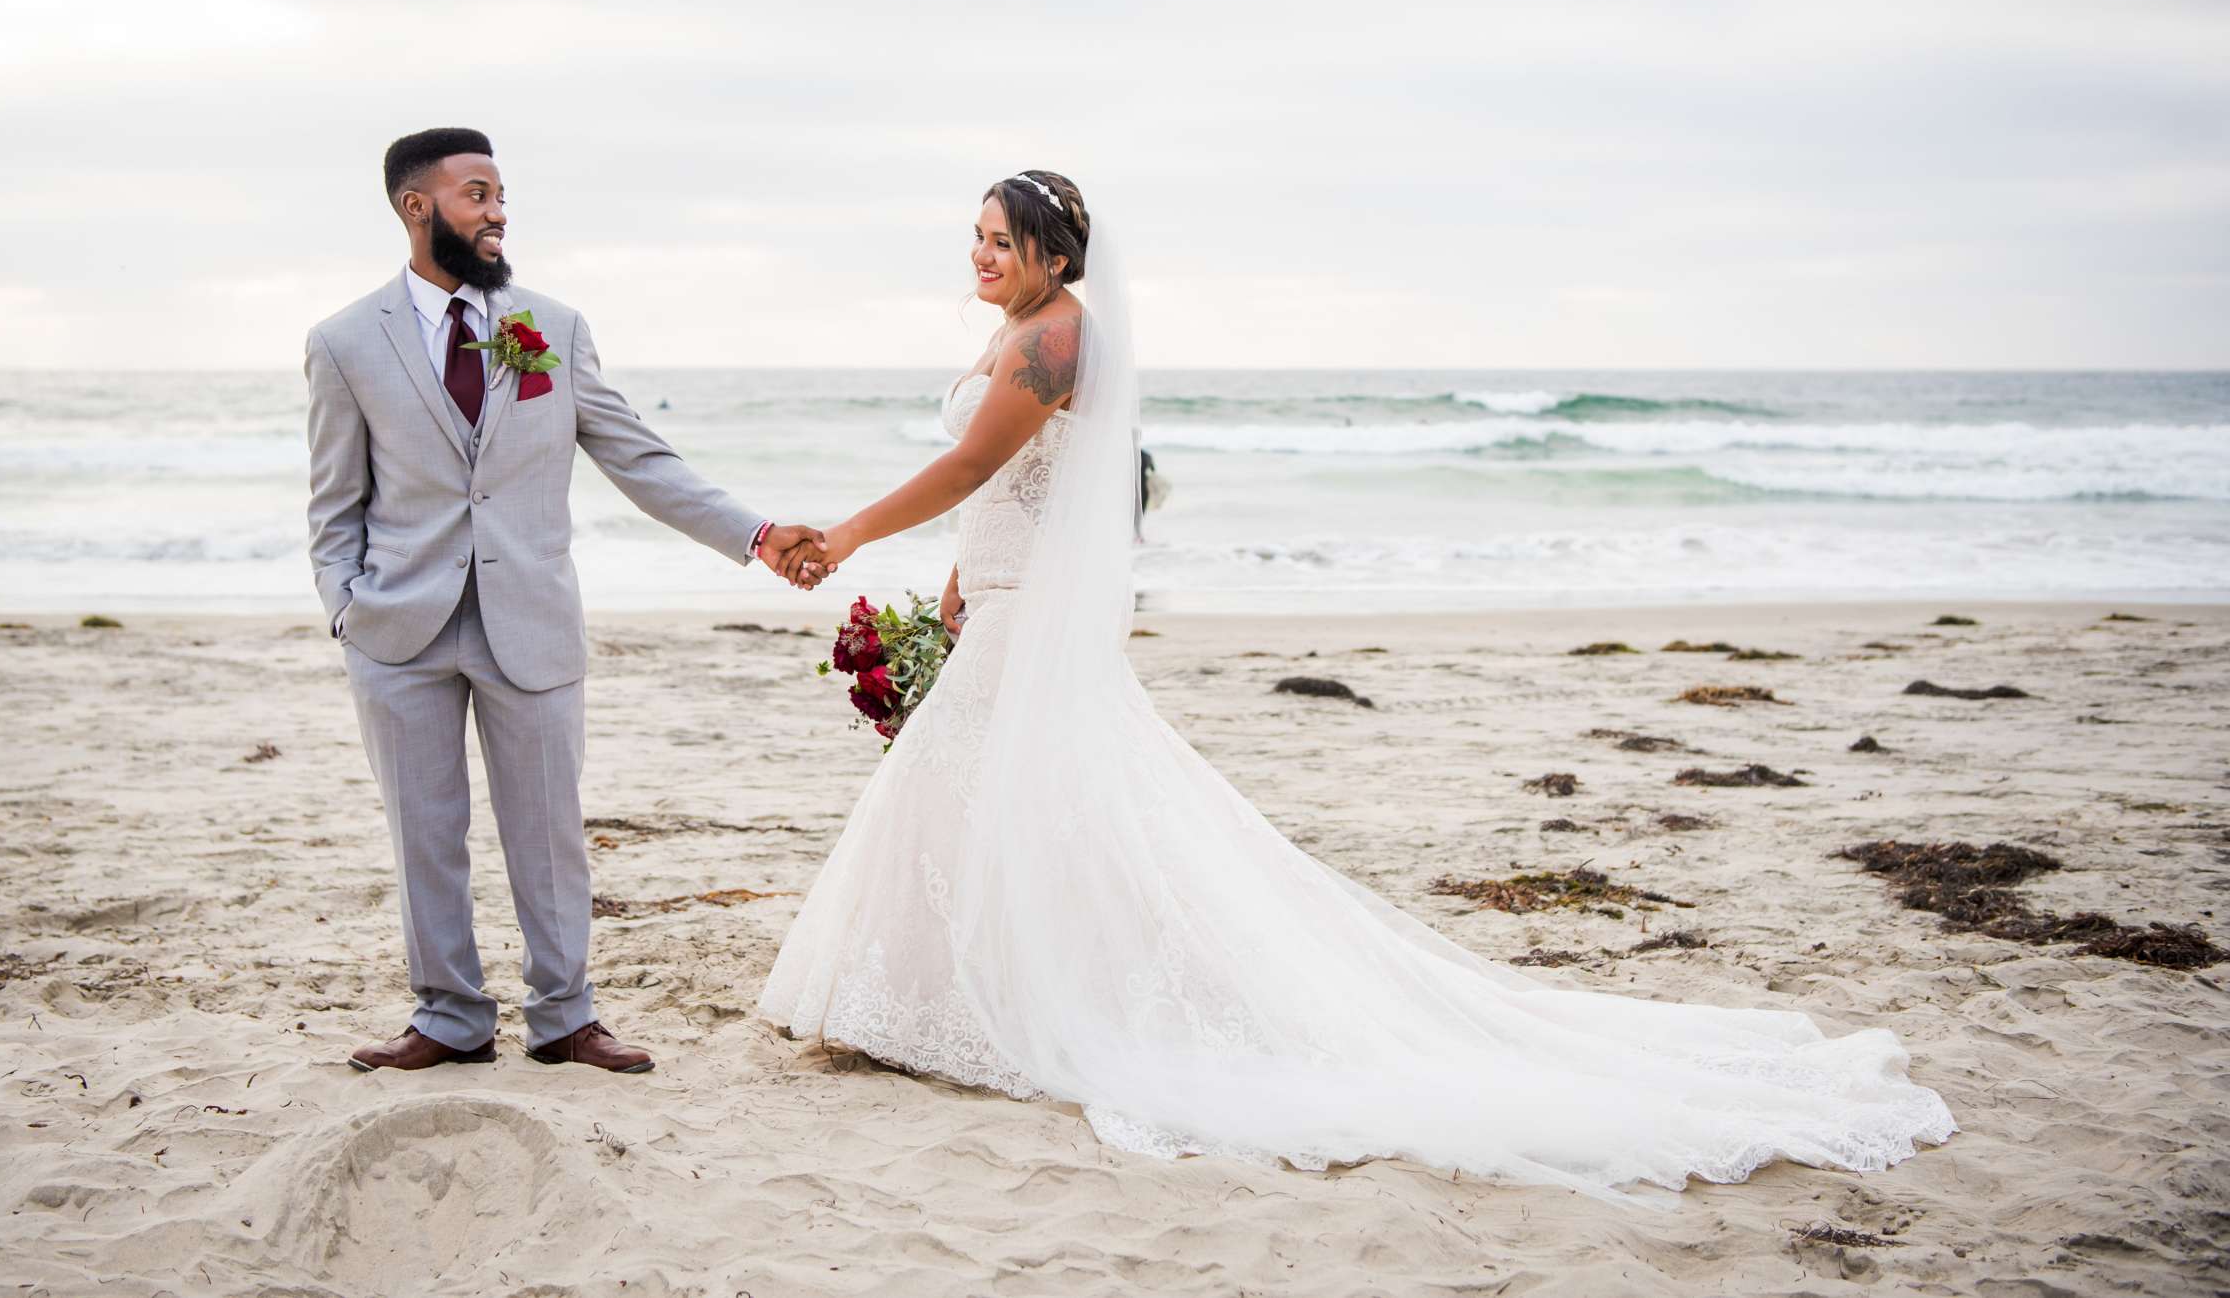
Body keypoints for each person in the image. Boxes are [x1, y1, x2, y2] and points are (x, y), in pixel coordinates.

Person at [759, 169, 1955, 1199]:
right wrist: (967, 574)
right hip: (1008, 603)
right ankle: (956, 999)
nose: (978, 252)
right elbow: (1028, 482)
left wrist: (854, 534)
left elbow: (975, 459)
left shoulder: (1055, 335)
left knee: (999, 792)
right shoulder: (1021, 330)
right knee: (997, 797)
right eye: (973, 235)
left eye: (998, 239)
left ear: (1054, 255)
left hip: (1032, 624)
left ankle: (995, 1006)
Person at [305, 127, 828, 1077]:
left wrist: (754, 534)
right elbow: (334, 500)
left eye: (502, 194)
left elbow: (638, 457)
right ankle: (449, 1018)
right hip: (399, 630)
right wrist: (347, 611)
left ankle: (565, 1018)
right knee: (425, 835)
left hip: (531, 624)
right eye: (476, 194)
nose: (498, 211)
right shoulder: (344, 343)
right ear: (415, 207)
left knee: (549, 835)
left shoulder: (555, 328)